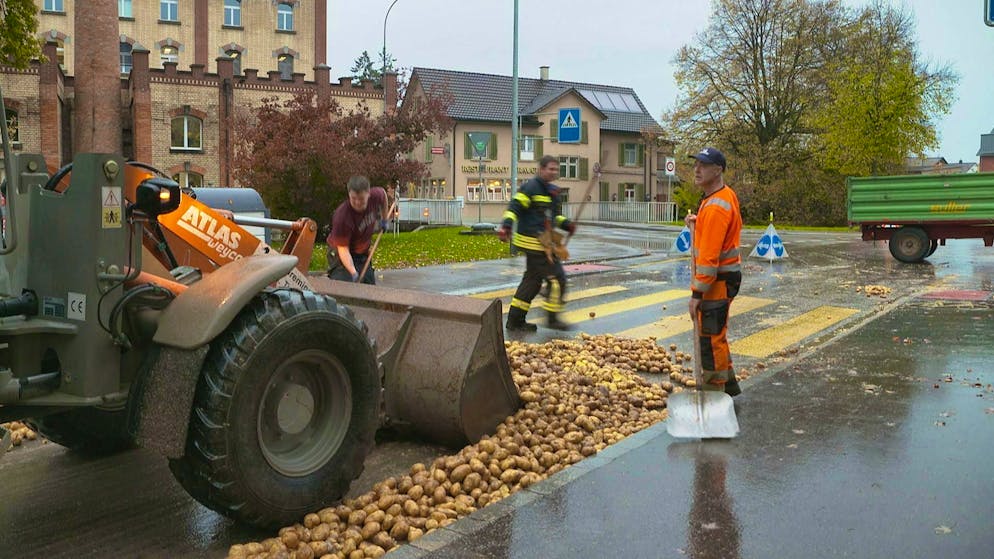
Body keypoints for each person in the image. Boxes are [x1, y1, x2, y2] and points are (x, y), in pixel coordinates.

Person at [685, 147, 742, 396]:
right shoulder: (720, 197)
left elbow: (709, 258)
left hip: (716, 281)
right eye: (696, 164)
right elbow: (717, 233)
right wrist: (698, 223)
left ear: (718, 170)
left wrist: (697, 294)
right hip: (723, 278)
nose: (697, 169)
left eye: (704, 165)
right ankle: (728, 387)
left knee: (710, 339)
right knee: (716, 333)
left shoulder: (716, 206)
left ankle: (713, 396)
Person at [498, 155, 576, 331]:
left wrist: (567, 224)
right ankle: (552, 319)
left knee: (532, 281)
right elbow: (514, 208)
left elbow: (554, 217)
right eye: (551, 168)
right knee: (557, 279)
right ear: (541, 169)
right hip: (533, 242)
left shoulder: (552, 191)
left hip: (544, 243)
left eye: (556, 169)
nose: (554, 172)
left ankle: (515, 321)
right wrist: (506, 226)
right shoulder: (531, 187)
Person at [326, 175, 389, 284]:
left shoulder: (376, 196)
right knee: (345, 287)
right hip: (340, 255)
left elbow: (383, 195)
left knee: (368, 286)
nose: (357, 203)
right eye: (353, 198)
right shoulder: (342, 217)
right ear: (349, 194)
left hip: (361, 252)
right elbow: (343, 250)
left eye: (361, 199)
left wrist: (384, 220)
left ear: (368, 194)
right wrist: (353, 273)